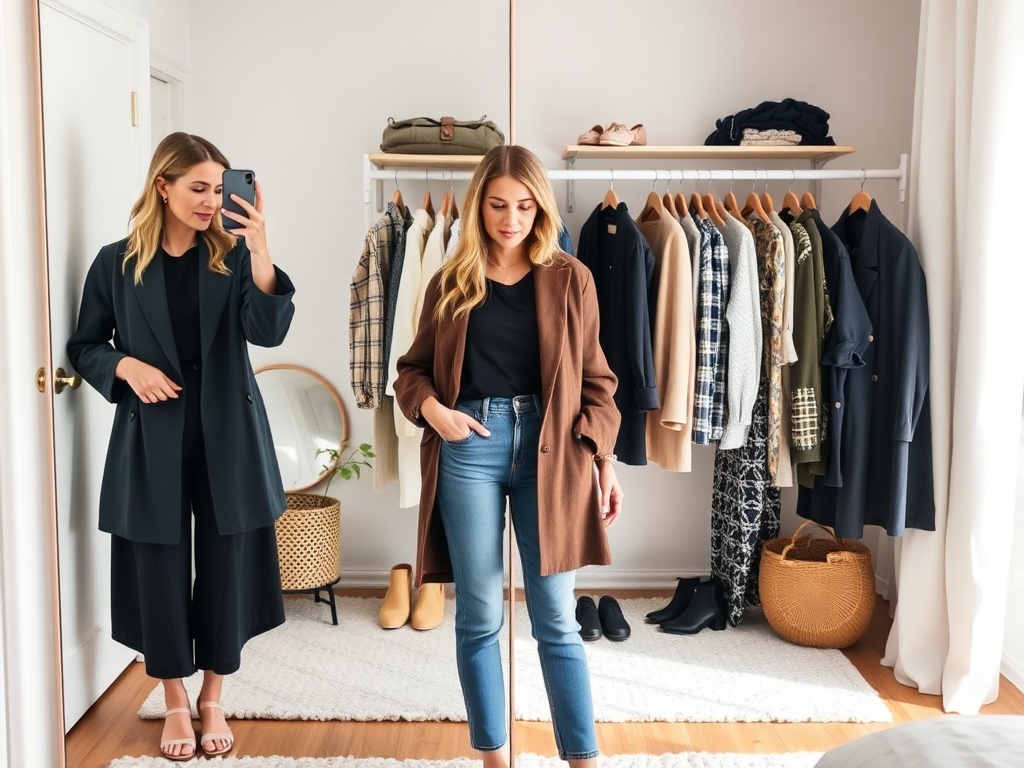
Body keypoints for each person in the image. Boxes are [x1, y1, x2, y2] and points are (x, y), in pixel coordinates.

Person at [67, 132, 296, 761]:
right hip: (151, 434)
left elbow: (267, 331)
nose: (211, 201)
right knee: (157, 568)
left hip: (230, 436)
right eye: (199, 188)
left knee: (226, 567)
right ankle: (173, 699)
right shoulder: (117, 263)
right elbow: (85, 345)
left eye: (220, 189)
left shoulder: (233, 255)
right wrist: (126, 367)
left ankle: (212, 697)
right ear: (162, 186)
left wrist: (260, 247)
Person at [394, 144, 623, 768]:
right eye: (498, 205)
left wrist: (604, 462)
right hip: (470, 445)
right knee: (478, 614)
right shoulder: (451, 281)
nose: (511, 219)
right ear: (478, 207)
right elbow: (410, 371)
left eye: (524, 206)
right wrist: (435, 411)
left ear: (541, 208)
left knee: (556, 617)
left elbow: (599, 383)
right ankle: (495, 759)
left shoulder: (571, 278)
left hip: (554, 452)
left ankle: (582, 759)